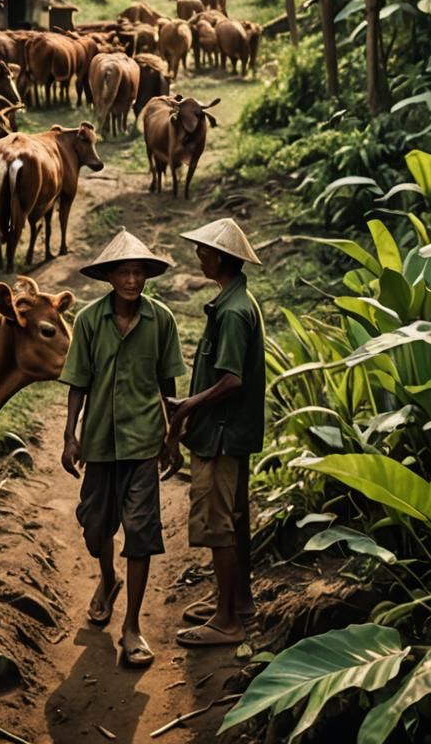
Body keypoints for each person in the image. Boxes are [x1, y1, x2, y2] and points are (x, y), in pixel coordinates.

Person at [60, 228, 185, 667]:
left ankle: (132, 627)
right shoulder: (89, 321)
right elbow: (78, 382)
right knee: (96, 530)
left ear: (146, 275)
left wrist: (172, 437)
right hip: (98, 443)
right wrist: (70, 435)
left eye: (138, 273)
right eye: (124, 273)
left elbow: (169, 385)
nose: (132, 280)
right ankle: (108, 577)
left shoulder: (161, 320)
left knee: (140, 533)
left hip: (143, 444)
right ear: (109, 276)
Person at [165, 217, 265, 648]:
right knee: (234, 519)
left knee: (217, 522)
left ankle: (227, 622)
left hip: (222, 435)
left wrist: (189, 405)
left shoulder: (234, 312)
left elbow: (232, 380)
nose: (198, 256)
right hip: (230, 432)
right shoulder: (233, 301)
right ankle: (239, 600)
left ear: (220, 258)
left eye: (203, 251)